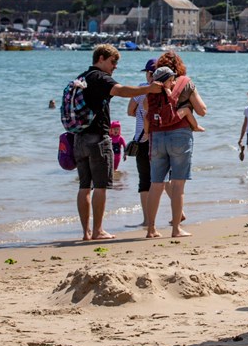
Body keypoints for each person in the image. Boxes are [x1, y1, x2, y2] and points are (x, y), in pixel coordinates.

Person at [72, 44, 163, 241]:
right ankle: (97, 231)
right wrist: (148, 88)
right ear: (101, 58)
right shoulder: (100, 77)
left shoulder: (82, 77)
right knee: (101, 186)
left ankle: (86, 233)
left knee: (84, 186)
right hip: (97, 137)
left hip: (78, 138)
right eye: (113, 62)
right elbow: (120, 91)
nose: (115, 67)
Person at [145, 51, 207, 239]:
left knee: (156, 185)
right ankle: (175, 229)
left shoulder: (153, 88)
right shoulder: (186, 83)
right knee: (178, 186)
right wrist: (185, 109)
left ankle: (151, 229)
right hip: (180, 135)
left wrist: (148, 133)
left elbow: (147, 111)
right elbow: (202, 110)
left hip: (156, 136)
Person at [127, 58, 157, 228]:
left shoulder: (141, 89)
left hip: (143, 139)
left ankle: (147, 219)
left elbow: (129, 111)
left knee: (144, 180)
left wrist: (140, 114)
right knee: (162, 178)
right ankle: (179, 212)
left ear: (149, 74)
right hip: (161, 137)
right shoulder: (166, 89)